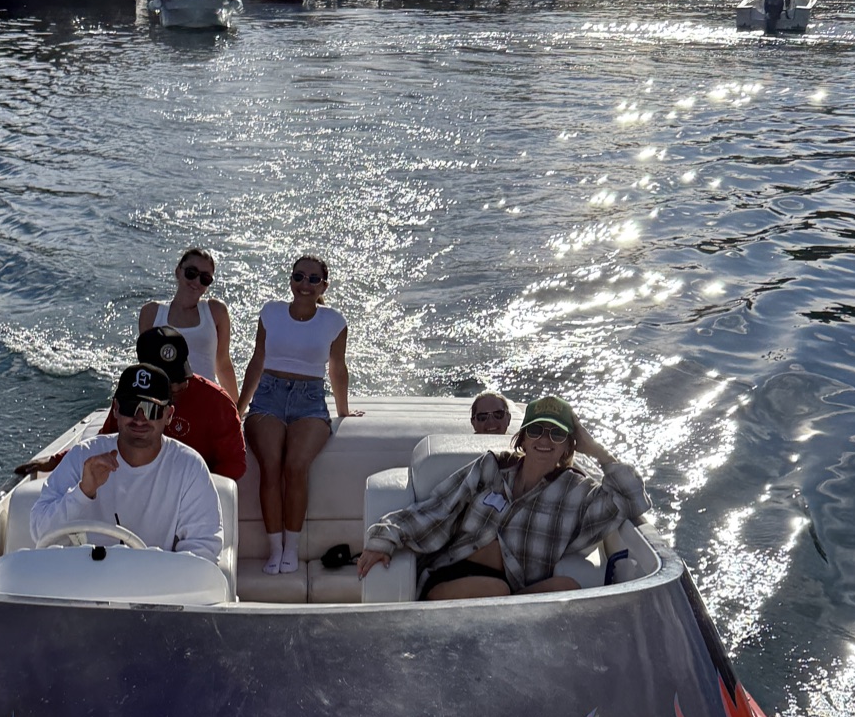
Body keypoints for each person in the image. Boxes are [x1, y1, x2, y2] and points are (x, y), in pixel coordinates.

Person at [358, 394, 648, 600]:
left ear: (568, 446)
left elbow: (632, 500)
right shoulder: (492, 466)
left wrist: (595, 449)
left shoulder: (578, 491)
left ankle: (510, 609)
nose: (544, 440)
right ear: (522, 438)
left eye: (556, 434)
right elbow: (439, 507)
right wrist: (387, 537)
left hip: (514, 589)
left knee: (566, 587)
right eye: (536, 430)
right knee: (497, 592)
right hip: (453, 574)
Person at [238, 256, 359, 575]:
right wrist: (238, 409)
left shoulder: (335, 321)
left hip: (310, 401)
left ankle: (291, 547)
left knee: (295, 467)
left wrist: (343, 411)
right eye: (299, 276)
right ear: (291, 280)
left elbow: (337, 369)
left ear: (324, 286)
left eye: (313, 279)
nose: (305, 284)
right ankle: (274, 549)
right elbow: (257, 360)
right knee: (271, 465)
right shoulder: (270, 312)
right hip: (268, 397)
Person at [29, 364, 222, 561]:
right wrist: (83, 492)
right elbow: (39, 533)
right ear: (116, 409)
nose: (140, 419)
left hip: (155, 587)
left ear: (169, 415)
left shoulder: (189, 467)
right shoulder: (82, 456)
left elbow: (203, 552)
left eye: (151, 409)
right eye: (131, 407)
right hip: (82, 584)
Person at [97, 329, 246, 480]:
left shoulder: (218, 403)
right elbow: (106, 443)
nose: (175, 388)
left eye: (180, 378)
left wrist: (196, 486)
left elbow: (233, 463)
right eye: (166, 382)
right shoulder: (128, 399)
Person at [139, 249, 239, 401]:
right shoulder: (151, 312)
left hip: (205, 399)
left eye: (205, 278)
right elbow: (146, 366)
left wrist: (235, 412)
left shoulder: (216, 311)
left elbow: (223, 364)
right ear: (178, 271)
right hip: (163, 402)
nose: (197, 282)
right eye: (191, 273)